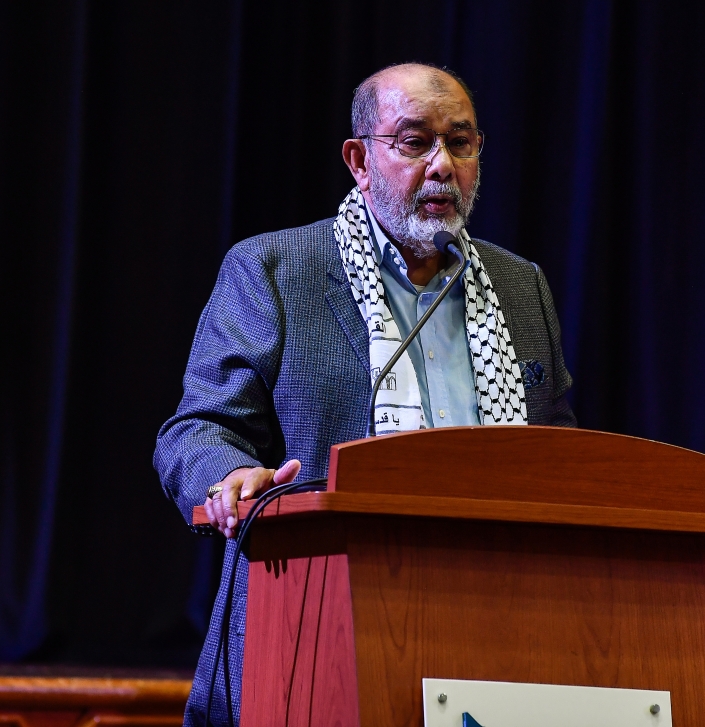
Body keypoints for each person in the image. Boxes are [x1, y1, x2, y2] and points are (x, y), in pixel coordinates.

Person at [154, 62, 576, 726]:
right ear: (359, 160)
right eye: (415, 142)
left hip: (495, 633)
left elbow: (560, 454)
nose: (442, 165)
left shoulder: (520, 288)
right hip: (317, 632)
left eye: (460, 142)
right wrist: (230, 475)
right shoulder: (275, 270)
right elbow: (198, 428)